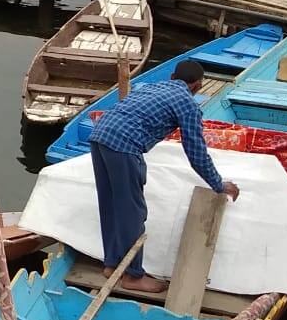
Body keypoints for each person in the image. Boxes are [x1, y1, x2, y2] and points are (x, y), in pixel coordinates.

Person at [89, 59, 240, 293]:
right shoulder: (187, 104)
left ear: (172, 77)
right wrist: (218, 184)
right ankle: (132, 276)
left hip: (99, 135)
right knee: (132, 211)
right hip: (124, 146)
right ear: (198, 86)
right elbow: (196, 152)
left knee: (111, 204)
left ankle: (113, 264)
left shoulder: (152, 87)